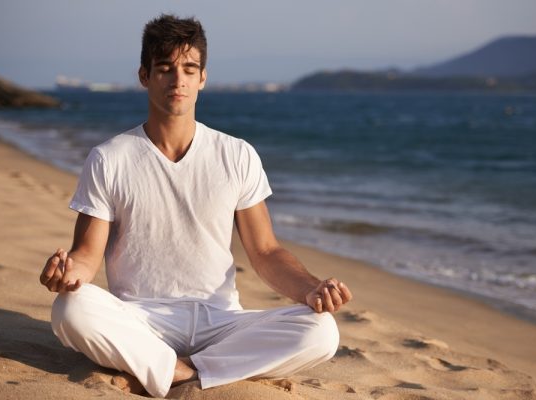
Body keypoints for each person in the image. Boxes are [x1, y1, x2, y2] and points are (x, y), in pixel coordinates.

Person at [39, 14, 352, 398]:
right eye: (165, 69)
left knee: (322, 331)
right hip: (141, 318)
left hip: (220, 321)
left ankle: (178, 370)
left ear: (203, 77)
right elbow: (87, 254)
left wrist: (312, 289)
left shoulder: (237, 155)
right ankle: (194, 369)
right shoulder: (109, 158)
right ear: (144, 76)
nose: (178, 80)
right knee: (70, 309)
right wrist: (68, 274)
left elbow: (266, 252)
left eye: (189, 68)